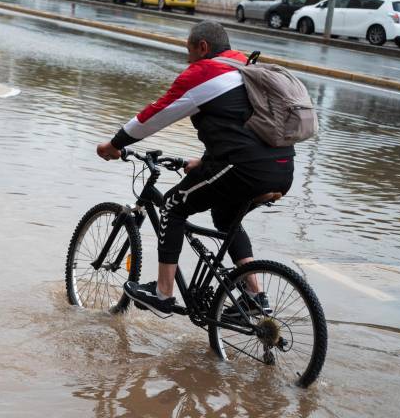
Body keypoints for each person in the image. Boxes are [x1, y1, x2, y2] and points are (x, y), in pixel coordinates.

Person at [96, 21, 294, 316]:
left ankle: (163, 293)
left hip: (241, 167)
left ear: (203, 47)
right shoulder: (246, 67)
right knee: (225, 217)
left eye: (189, 52)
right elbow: (239, 127)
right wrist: (203, 162)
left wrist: (114, 144)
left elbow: (155, 114)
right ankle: (254, 295)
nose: (187, 59)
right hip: (281, 167)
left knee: (173, 205)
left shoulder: (204, 72)